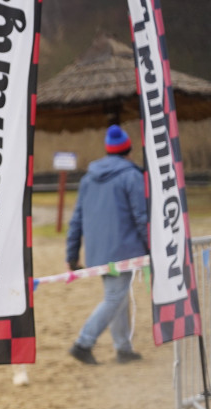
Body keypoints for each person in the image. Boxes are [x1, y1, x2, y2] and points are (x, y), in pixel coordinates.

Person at [66, 124, 148, 365]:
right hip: (124, 252)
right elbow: (141, 217)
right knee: (115, 297)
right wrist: (153, 248)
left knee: (117, 296)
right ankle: (83, 342)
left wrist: (72, 255)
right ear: (128, 151)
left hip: (98, 253)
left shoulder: (88, 178)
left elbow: (76, 219)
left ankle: (123, 347)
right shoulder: (131, 175)